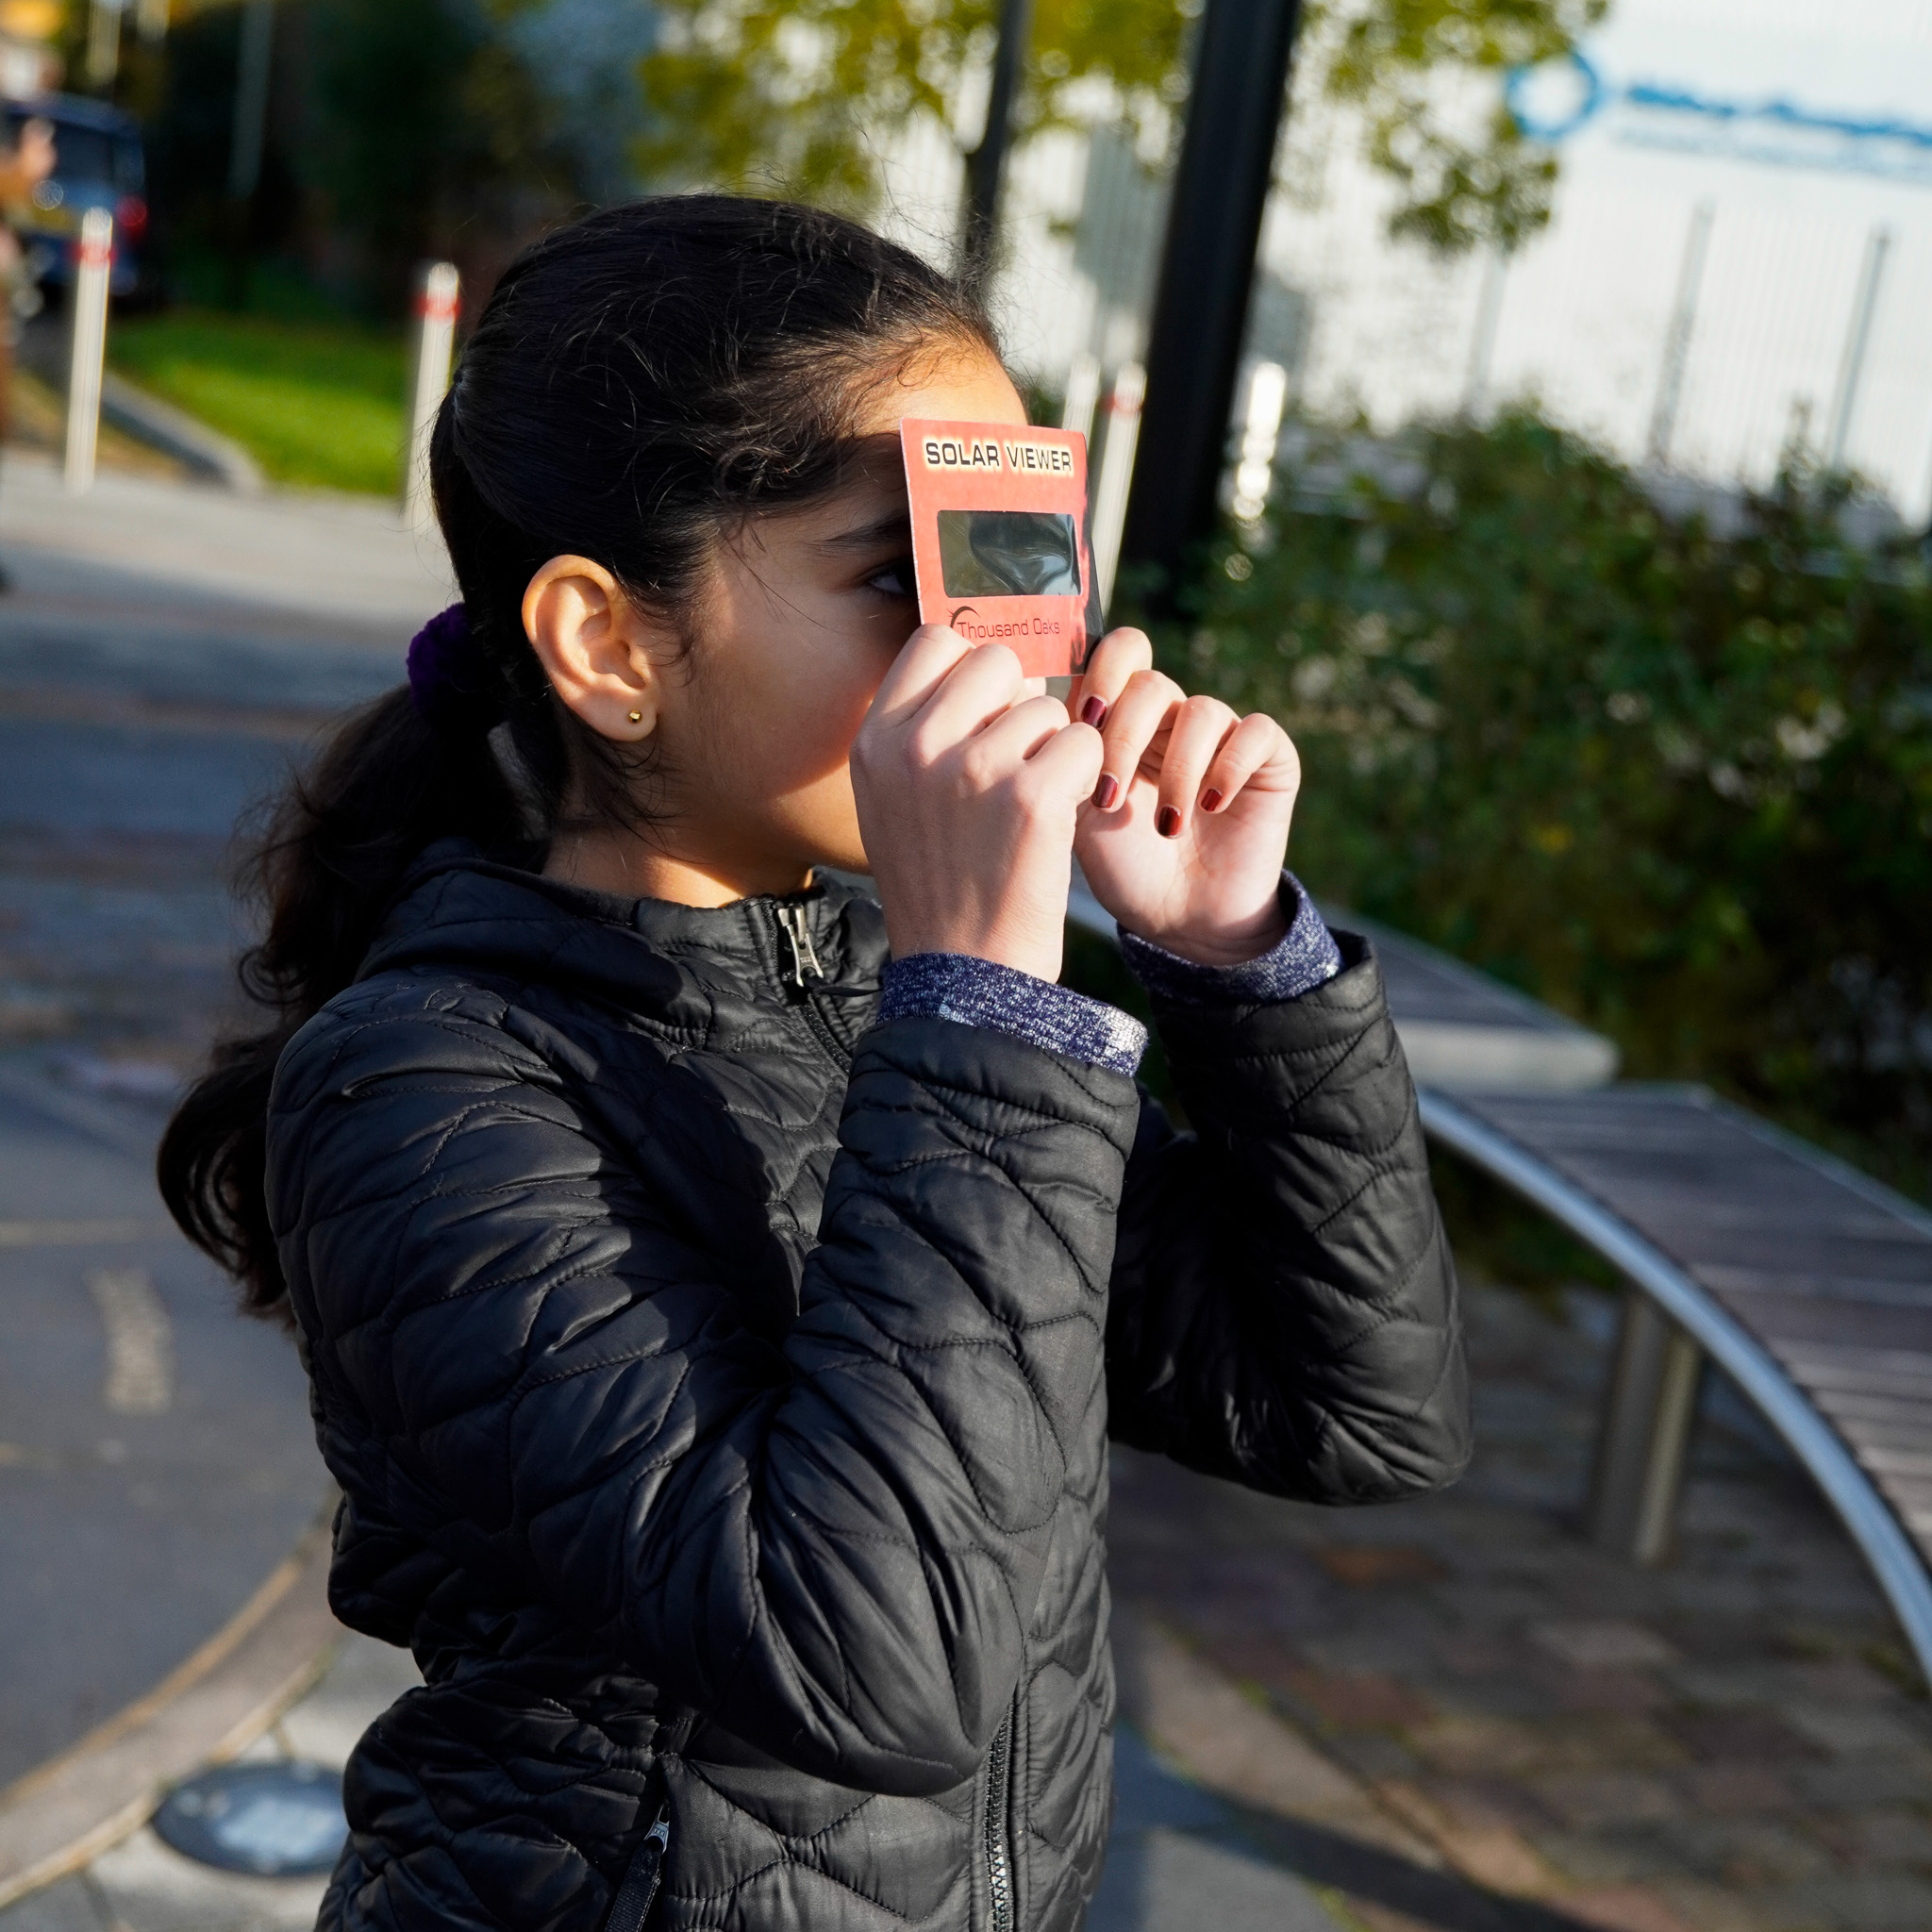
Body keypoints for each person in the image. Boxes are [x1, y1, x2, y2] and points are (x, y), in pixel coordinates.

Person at [160, 196, 1468, 1932]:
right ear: (607, 644)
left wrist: (1236, 964)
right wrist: (989, 1007)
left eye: (1020, 555)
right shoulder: (423, 1092)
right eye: (904, 577)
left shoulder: (887, 1004)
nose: (1012, 652)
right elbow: (882, 1669)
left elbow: (1356, 1410)